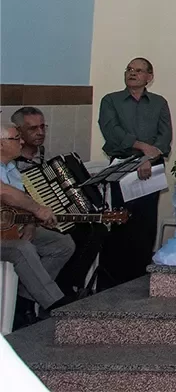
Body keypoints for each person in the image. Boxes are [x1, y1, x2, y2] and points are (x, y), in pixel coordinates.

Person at [12, 108, 106, 298]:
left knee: (96, 229)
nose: (40, 132)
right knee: (72, 237)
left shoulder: (47, 157)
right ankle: (57, 291)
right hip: (30, 220)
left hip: (54, 216)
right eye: (32, 128)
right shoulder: (12, 163)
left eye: (42, 127)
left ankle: (70, 285)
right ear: (18, 131)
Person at [97, 57, 172, 287]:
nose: (133, 73)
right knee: (120, 222)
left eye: (139, 70)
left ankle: (139, 278)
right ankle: (112, 281)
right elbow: (112, 132)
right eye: (129, 69)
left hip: (151, 168)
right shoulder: (111, 100)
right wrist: (141, 150)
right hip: (122, 166)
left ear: (149, 77)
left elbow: (164, 137)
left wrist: (147, 158)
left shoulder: (158, 103)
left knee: (145, 224)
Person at [0, 122, 74, 317]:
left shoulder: (11, 167)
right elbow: (4, 192)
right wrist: (38, 210)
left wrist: (31, 221)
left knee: (62, 243)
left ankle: (25, 300)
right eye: (16, 138)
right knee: (22, 249)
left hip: (9, 228)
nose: (22, 141)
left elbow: (21, 200)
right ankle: (56, 305)